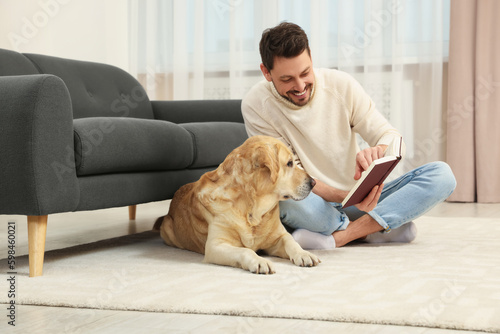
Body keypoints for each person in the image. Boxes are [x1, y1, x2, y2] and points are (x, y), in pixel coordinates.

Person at [241, 22, 456, 249]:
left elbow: (391, 136)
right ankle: (376, 227)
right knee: (283, 200)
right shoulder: (256, 105)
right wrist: (343, 196)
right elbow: (289, 174)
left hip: (359, 199)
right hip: (315, 203)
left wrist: (380, 151)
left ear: (311, 57)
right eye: (287, 79)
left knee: (442, 175)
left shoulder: (340, 85)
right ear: (266, 72)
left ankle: (342, 236)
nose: (300, 85)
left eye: (305, 73)